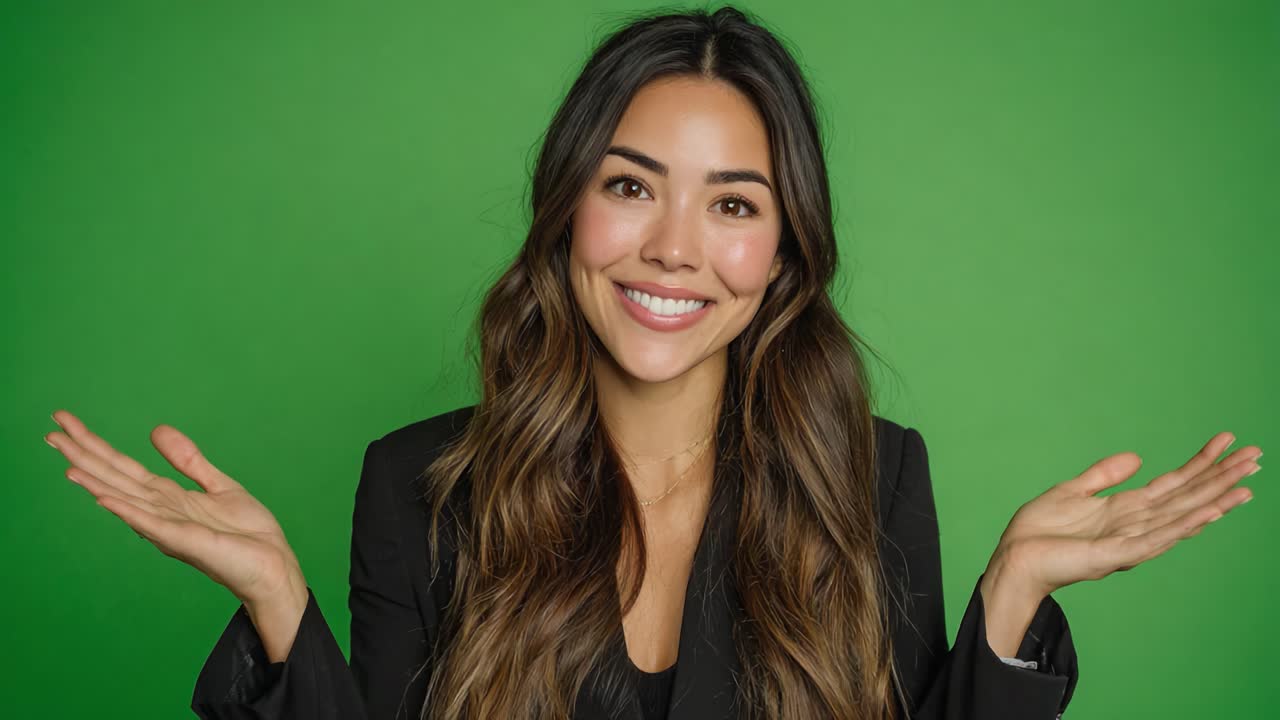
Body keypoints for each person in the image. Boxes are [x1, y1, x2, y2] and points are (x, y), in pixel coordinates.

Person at [44, 6, 1261, 720]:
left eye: (734, 206)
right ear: (565, 208)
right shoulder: (415, 486)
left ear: (783, 256)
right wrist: (278, 614)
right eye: (630, 186)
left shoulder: (871, 480)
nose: (674, 249)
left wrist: (1004, 613)